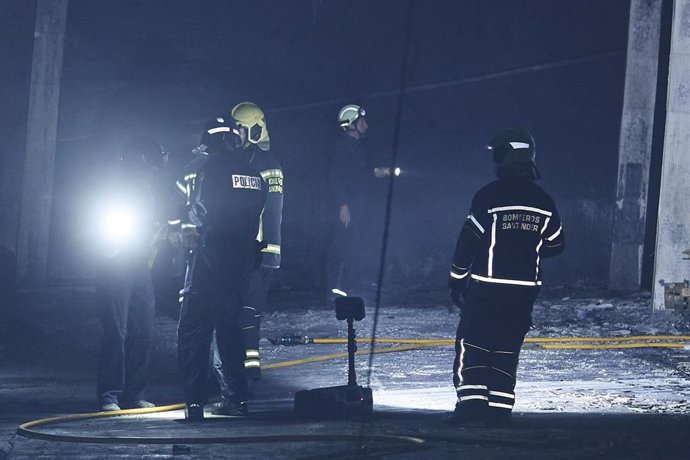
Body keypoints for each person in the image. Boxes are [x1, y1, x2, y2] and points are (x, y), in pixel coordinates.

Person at [447, 128, 565, 426]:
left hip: (487, 286)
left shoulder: (488, 196)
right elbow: (556, 244)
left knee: (473, 343)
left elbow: (468, 242)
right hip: (524, 291)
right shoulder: (544, 201)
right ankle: (499, 409)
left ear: (505, 156)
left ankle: (472, 409)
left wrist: (456, 279)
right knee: (506, 347)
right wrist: (528, 249)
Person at [176, 117, 266, 421]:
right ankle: (237, 399)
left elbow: (199, 212)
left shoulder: (210, 170)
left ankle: (194, 403)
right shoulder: (254, 174)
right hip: (242, 259)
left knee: (195, 327)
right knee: (230, 329)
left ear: (212, 141)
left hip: (212, 255)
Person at [207, 102, 284, 414]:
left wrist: (271, 250)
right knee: (238, 314)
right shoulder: (238, 161)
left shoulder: (267, 162)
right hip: (240, 251)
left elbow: (274, 210)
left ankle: (248, 377)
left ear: (253, 129)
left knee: (247, 315)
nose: (235, 134)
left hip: (260, 251)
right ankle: (244, 375)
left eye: (239, 128)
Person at [96, 136, 168, 411]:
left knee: (143, 326)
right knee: (117, 328)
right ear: (139, 165)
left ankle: (134, 394)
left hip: (138, 264)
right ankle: (109, 395)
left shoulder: (149, 191)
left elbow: (151, 225)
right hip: (115, 263)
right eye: (150, 170)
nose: (153, 175)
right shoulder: (115, 189)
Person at [326, 103, 376, 299]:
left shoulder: (357, 148)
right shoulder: (342, 148)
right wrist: (343, 205)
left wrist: (375, 173)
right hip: (347, 206)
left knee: (355, 245)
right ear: (351, 124)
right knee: (341, 245)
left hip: (359, 205)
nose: (366, 125)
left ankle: (351, 285)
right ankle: (334, 288)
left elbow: (358, 176)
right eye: (362, 121)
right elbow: (335, 177)